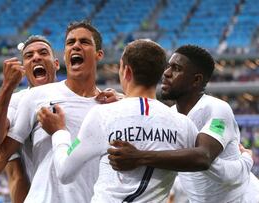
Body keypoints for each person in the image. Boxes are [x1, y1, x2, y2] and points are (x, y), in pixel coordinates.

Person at [0, 20, 105, 203]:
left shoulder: (109, 105)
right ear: (66, 55)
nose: (76, 46)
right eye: (70, 43)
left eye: (84, 42)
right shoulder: (29, 98)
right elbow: (0, 151)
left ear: (57, 62)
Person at [36, 39, 199, 202]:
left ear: (126, 71)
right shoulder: (184, 125)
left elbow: (65, 173)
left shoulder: (102, 115)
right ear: (160, 75)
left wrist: (59, 132)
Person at [107, 44, 259, 202]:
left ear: (196, 80)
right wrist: (124, 99)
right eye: (167, 67)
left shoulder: (216, 109)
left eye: (176, 68)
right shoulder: (172, 116)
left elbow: (203, 157)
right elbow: (152, 110)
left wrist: (139, 157)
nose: (166, 73)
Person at [0, 35, 60, 202]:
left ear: (56, 63)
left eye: (43, 53)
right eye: (29, 56)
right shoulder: (19, 100)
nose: (36, 57)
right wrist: (7, 87)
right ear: (24, 68)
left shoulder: (74, 95)